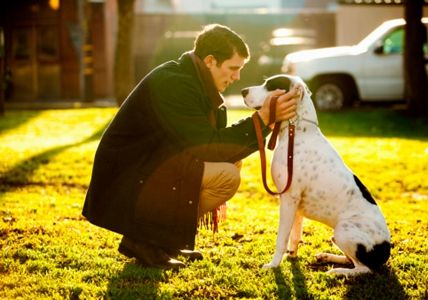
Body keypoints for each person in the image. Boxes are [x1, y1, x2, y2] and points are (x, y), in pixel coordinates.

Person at [82, 24, 299, 269]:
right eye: (233, 68)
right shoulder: (176, 84)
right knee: (225, 176)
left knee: (230, 163)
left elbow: (213, 141)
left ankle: (160, 241)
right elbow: (207, 146)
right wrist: (262, 119)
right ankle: (144, 240)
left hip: (148, 166)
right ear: (210, 61)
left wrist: (264, 121)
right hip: (128, 178)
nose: (237, 76)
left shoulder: (193, 81)